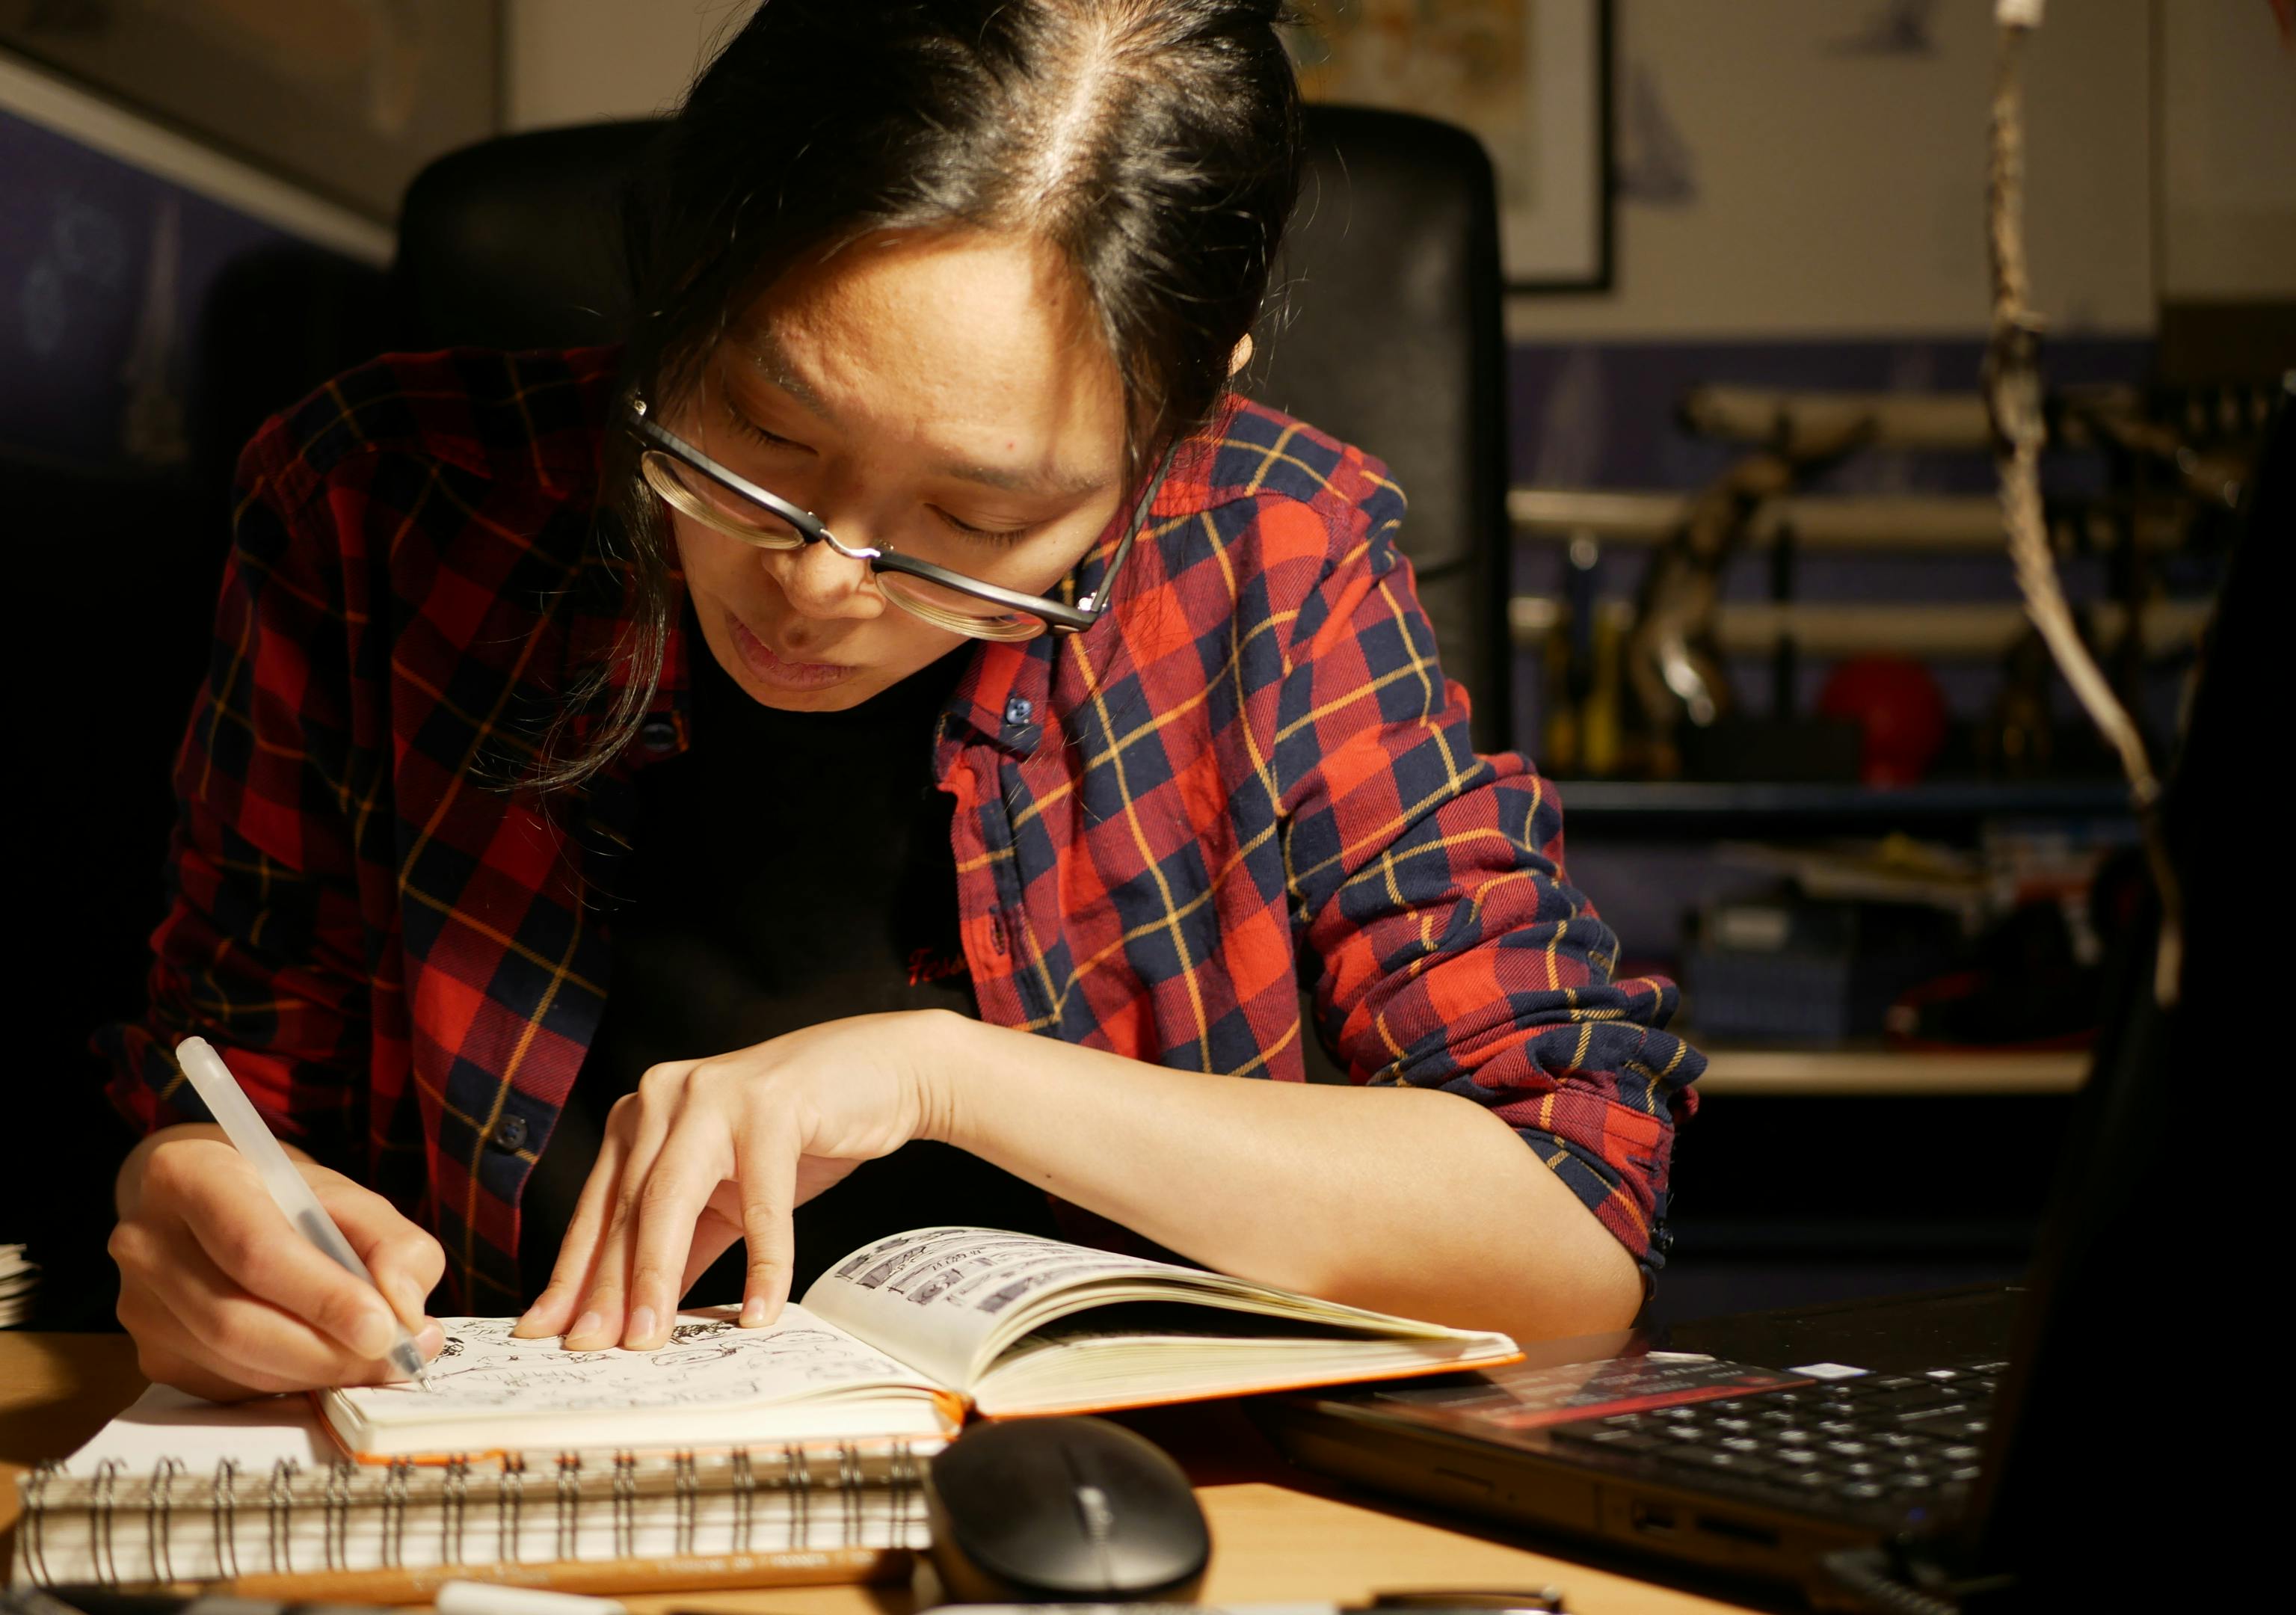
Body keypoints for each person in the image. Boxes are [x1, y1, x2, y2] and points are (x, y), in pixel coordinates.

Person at [99, 0, 1702, 1402]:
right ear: (678, 268)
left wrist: (946, 1075)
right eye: (761, 436)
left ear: (1176, 423)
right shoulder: (380, 502)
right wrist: (198, 1208)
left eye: (980, 521)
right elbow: (240, 1083)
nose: (818, 582)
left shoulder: (1271, 551)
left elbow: (1565, 1225)